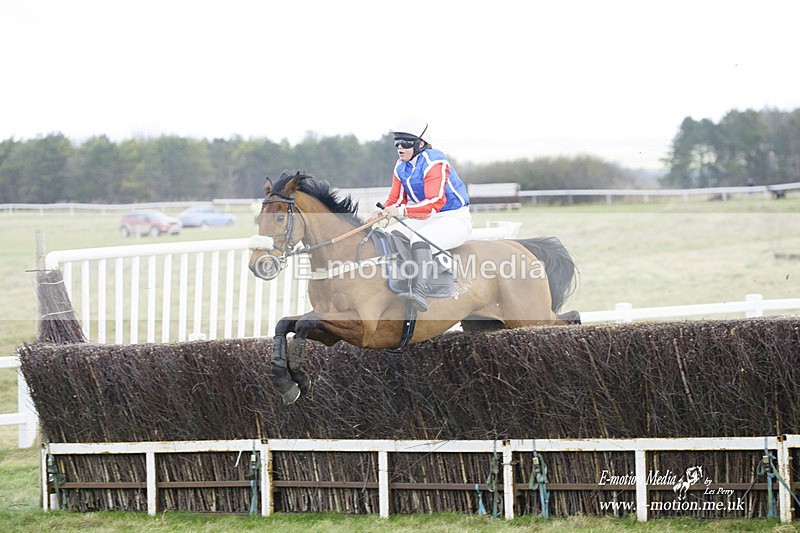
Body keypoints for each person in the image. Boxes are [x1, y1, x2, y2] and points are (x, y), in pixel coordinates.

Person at [367, 122, 472, 312]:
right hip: (426, 218)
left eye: (406, 143)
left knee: (419, 239)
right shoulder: (400, 166)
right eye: (397, 142)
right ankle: (399, 282)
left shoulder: (435, 161)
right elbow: (396, 199)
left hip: (453, 217)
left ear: (421, 144)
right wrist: (382, 212)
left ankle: (420, 292)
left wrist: (399, 211)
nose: (400, 147)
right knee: (389, 234)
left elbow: (434, 202)